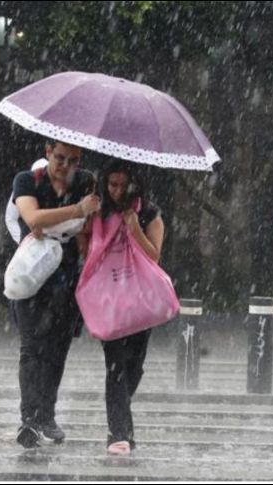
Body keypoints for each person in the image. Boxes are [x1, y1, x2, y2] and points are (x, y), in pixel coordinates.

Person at [9, 139, 100, 448]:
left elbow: (90, 226)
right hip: (33, 275)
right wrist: (75, 211)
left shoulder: (87, 181)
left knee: (57, 351)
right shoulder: (27, 180)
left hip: (68, 278)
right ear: (47, 153)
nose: (65, 166)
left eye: (72, 160)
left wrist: (75, 221)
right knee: (32, 348)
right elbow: (32, 218)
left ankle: (46, 414)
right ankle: (29, 419)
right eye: (59, 158)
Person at [90, 160, 164, 456]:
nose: (117, 191)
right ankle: (118, 433)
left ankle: (120, 416)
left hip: (140, 299)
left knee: (134, 365)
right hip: (109, 297)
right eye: (112, 184)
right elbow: (88, 248)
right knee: (116, 365)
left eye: (123, 185)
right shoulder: (99, 209)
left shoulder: (149, 212)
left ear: (135, 184)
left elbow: (154, 256)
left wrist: (134, 226)